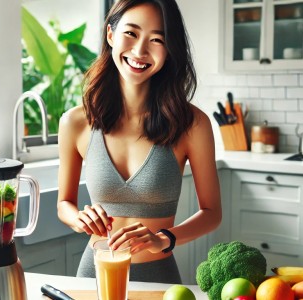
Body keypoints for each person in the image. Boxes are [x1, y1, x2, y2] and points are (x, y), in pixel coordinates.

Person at [57, 0, 221, 284]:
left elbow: (212, 213)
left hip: (159, 278)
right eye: (131, 33)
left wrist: (164, 239)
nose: (140, 50)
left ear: (169, 50)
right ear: (111, 35)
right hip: (93, 275)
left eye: (157, 39)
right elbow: (64, 204)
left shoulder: (192, 124)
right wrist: (78, 218)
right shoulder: (75, 122)